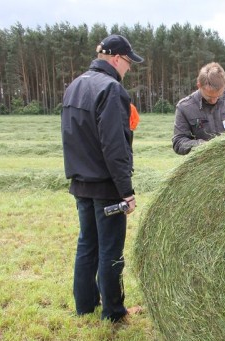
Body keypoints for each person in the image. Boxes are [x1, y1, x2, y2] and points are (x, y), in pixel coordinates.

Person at [61, 34, 144, 323]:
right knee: (111, 250)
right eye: (129, 62)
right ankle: (114, 312)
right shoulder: (111, 89)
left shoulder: (75, 86)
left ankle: (85, 306)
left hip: (81, 182)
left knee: (87, 245)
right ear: (117, 58)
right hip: (107, 184)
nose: (130, 68)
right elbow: (115, 145)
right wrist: (126, 191)